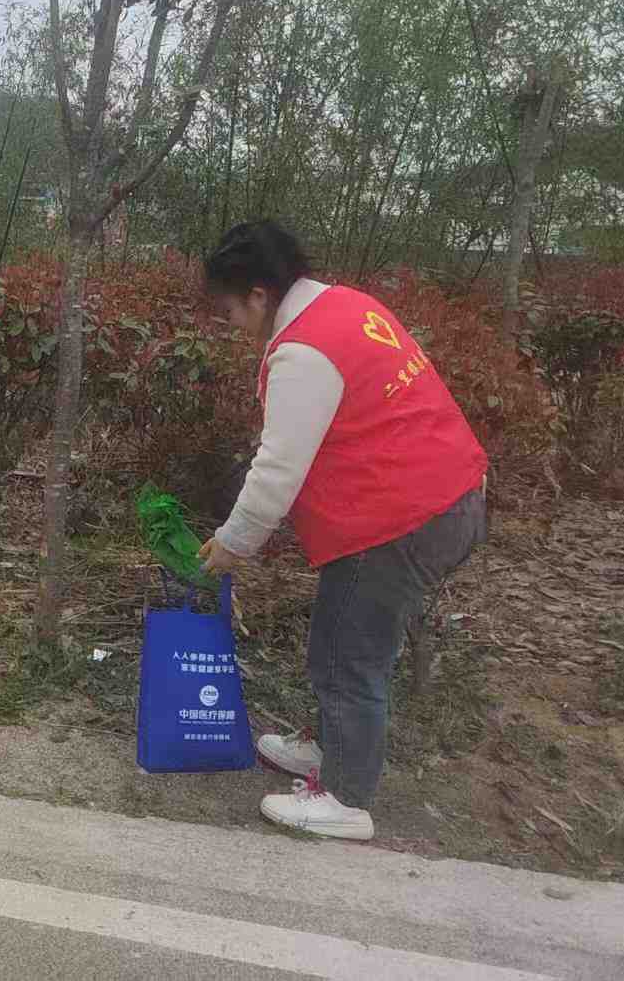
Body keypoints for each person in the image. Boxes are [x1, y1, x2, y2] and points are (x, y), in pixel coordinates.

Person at [197, 220, 488, 842]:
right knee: (339, 635)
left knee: (351, 655)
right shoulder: (347, 306)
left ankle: (347, 797)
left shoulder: (304, 351)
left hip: (403, 518)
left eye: (229, 310)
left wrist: (233, 542)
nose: (231, 324)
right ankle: (331, 745)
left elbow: (277, 469)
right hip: (443, 496)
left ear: (258, 294)